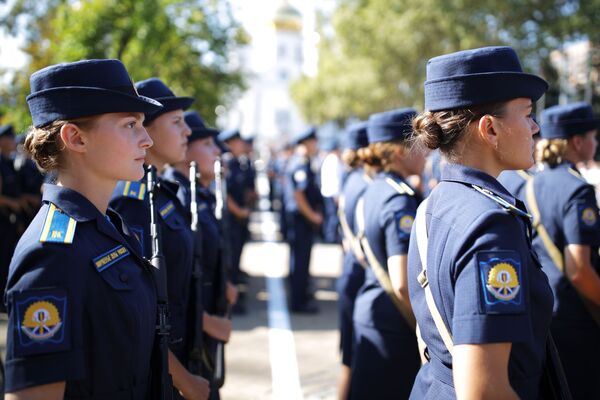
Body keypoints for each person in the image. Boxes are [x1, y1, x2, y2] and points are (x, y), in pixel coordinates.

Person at [4, 59, 162, 399]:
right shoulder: (51, 254)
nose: (147, 139)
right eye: (130, 124)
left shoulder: (107, 228)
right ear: (75, 138)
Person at [408, 46, 553, 399]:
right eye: (527, 114)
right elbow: (484, 391)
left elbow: (427, 334)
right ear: (489, 129)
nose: (535, 128)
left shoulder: (435, 203)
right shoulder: (491, 225)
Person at [110, 77, 209, 399]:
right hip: (162, 370)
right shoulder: (132, 201)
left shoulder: (160, 192)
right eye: (177, 122)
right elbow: (138, 310)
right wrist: (183, 380)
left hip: (182, 348)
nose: (188, 131)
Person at [525, 102, 600, 399]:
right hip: (579, 316)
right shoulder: (577, 189)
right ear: (577, 142)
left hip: (546, 315)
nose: (595, 143)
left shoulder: (532, 184)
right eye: (593, 136)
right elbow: (579, 269)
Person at [350, 109, 423, 399]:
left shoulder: (377, 188)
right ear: (399, 152)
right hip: (393, 322)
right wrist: (427, 327)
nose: (426, 151)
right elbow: (403, 281)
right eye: (417, 144)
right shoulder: (398, 199)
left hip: (374, 311)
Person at [165, 111, 236, 400]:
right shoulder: (177, 196)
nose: (217, 151)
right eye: (207, 144)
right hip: (186, 334)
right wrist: (204, 320)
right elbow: (168, 283)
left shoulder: (198, 193)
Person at [335, 121, 370, 400]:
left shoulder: (352, 179)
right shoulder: (366, 183)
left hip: (350, 271)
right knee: (355, 362)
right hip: (361, 275)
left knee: (349, 359)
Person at [284, 126, 324, 313]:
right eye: (314, 141)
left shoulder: (303, 161)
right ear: (307, 142)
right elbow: (299, 195)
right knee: (300, 262)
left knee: (300, 260)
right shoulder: (300, 163)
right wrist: (313, 215)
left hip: (302, 220)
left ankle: (300, 296)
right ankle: (298, 303)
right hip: (301, 220)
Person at [217, 129, 252, 313]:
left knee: (235, 258)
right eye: (238, 142)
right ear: (229, 143)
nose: (242, 145)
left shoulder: (236, 163)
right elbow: (225, 193)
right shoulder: (226, 163)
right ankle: (231, 302)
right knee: (229, 261)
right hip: (231, 220)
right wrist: (239, 211)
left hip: (237, 221)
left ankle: (234, 296)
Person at [0, 124, 21, 300]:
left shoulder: (10, 162)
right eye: (10, 138)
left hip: (10, 221)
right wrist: (13, 203)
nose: (14, 141)